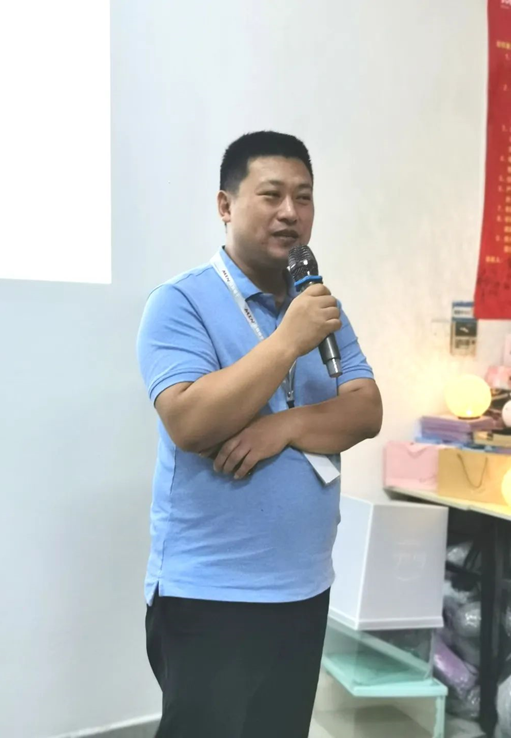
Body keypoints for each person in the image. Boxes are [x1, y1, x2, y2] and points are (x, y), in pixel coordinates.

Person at [137, 130, 383, 738]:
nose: (290, 212)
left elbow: (366, 410)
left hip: (304, 586)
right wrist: (287, 341)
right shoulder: (180, 302)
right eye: (271, 195)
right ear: (225, 205)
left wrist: (286, 425)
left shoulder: (318, 305)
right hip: (211, 592)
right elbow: (190, 422)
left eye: (304, 197)